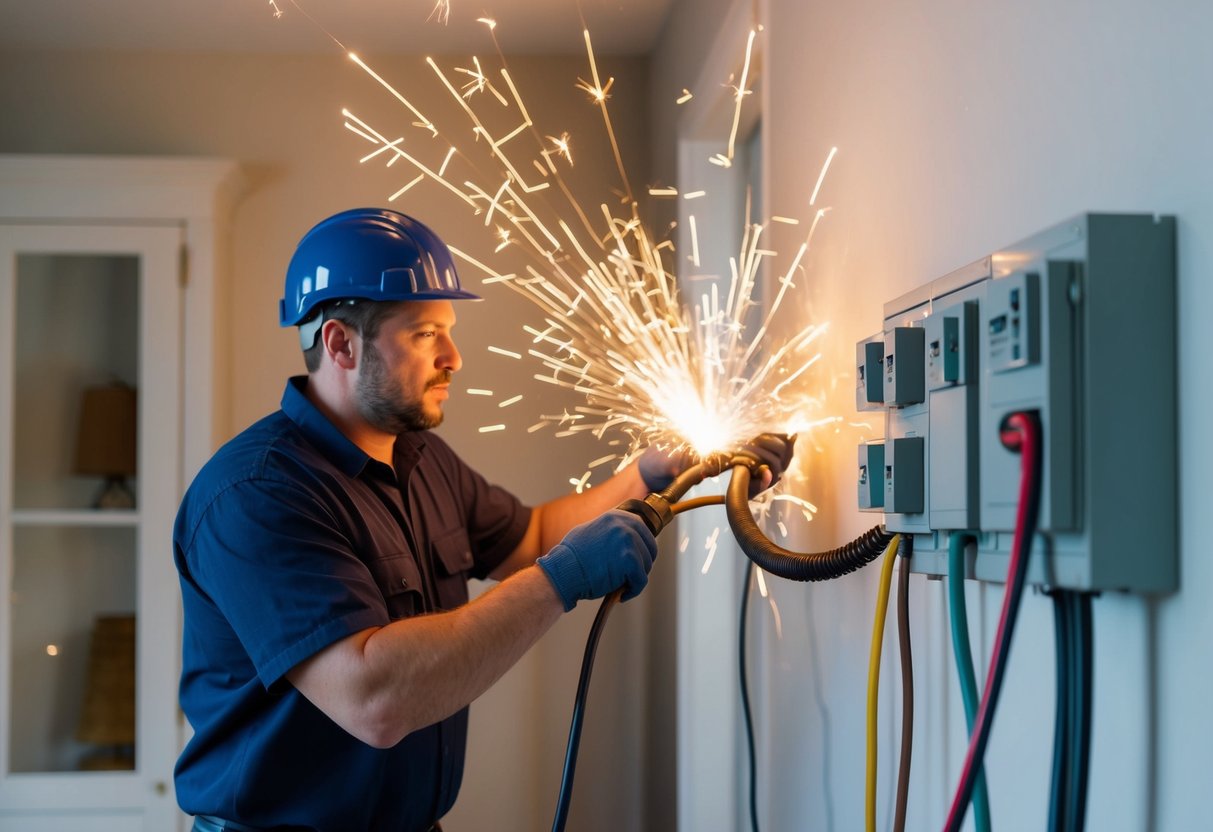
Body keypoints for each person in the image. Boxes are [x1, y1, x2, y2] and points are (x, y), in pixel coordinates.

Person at [172, 208, 787, 832]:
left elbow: (532, 539)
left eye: (448, 330)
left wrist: (643, 478)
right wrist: (561, 579)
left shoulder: (420, 457)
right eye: (423, 334)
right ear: (340, 343)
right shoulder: (257, 495)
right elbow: (374, 697)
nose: (454, 357)